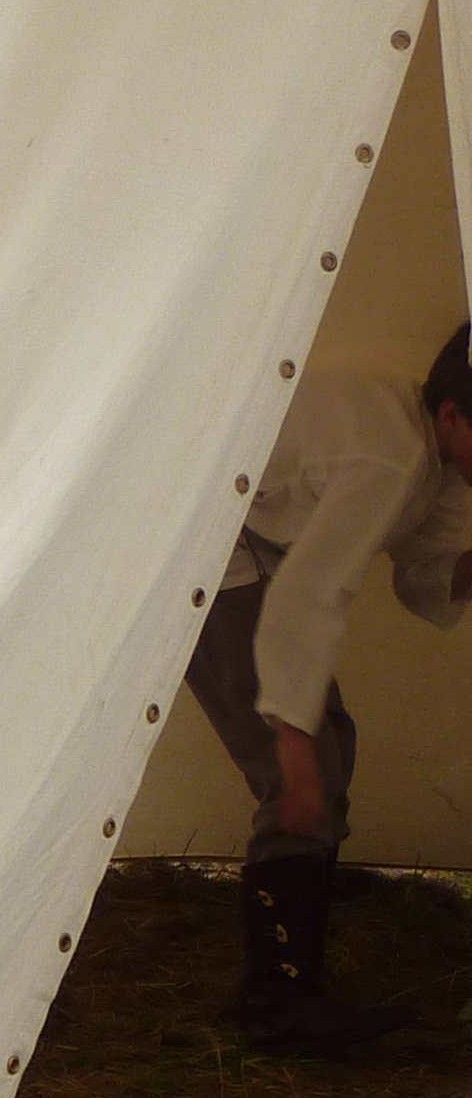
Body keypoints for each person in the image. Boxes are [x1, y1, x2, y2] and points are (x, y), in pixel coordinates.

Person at [185, 328, 472, 1051]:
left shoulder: (429, 458)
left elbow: (426, 574)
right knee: (299, 770)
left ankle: (286, 986)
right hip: (210, 551)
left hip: (257, 554)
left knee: (326, 749)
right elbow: (313, 591)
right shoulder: (391, 454)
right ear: (452, 416)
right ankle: (279, 1003)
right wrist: (290, 736)